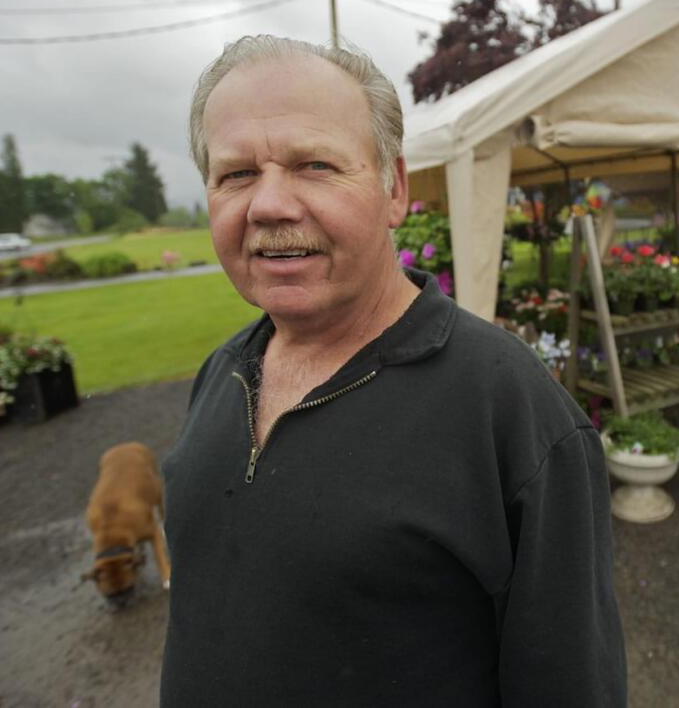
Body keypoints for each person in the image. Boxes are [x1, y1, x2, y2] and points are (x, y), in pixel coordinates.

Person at [160, 35, 626, 706]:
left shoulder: (510, 413)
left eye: (314, 164)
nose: (268, 205)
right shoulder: (222, 374)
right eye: (236, 175)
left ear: (393, 189)